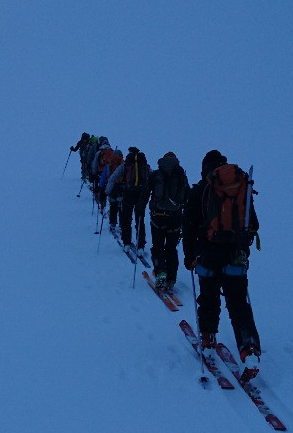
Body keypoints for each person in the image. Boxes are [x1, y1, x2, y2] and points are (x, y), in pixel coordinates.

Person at [182, 149, 261, 362]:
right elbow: (253, 224)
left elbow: (188, 225)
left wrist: (189, 255)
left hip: (208, 255)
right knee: (238, 302)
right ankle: (249, 347)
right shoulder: (240, 189)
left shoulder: (200, 190)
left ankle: (207, 338)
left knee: (209, 298)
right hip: (236, 255)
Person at [146, 151, 188, 291]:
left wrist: (140, 209)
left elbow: (146, 192)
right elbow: (186, 197)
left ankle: (161, 271)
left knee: (157, 246)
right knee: (171, 248)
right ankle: (171, 278)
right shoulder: (181, 175)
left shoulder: (156, 174)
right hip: (175, 217)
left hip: (158, 216)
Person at [106, 146, 150, 251]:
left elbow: (112, 178)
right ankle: (141, 246)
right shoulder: (144, 165)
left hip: (128, 194)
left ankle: (126, 242)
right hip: (141, 196)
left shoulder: (125, 165)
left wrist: (108, 191)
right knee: (140, 220)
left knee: (126, 219)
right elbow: (153, 177)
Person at [99, 149, 124, 229]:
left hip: (112, 187)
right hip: (122, 188)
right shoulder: (124, 164)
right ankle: (121, 223)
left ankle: (113, 222)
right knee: (120, 206)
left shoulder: (109, 163)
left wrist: (101, 186)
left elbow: (104, 176)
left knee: (113, 205)